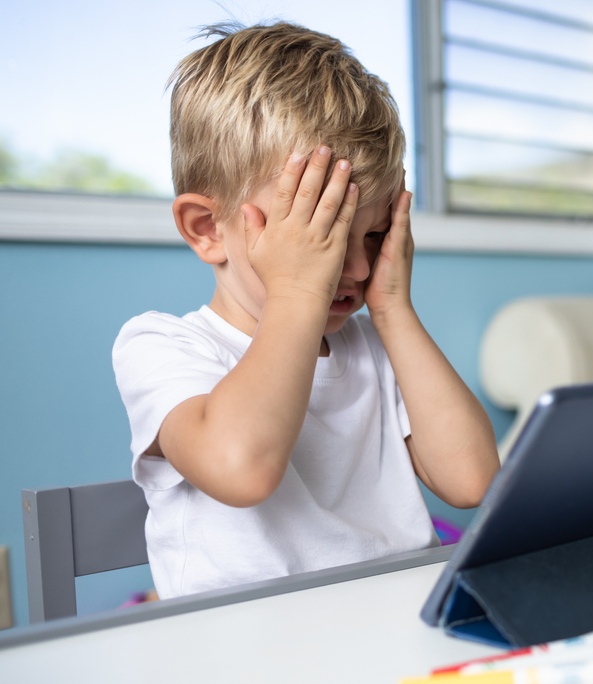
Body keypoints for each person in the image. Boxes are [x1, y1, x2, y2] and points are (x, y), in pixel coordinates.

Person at [112, 22, 500, 599]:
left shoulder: (372, 346)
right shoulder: (160, 346)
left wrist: (393, 308)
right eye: (323, 239)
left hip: (386, 628)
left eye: (374, 236)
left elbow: (472, 482)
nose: (361, 270)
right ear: (207, 230)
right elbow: (244, 469)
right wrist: (298, 293)